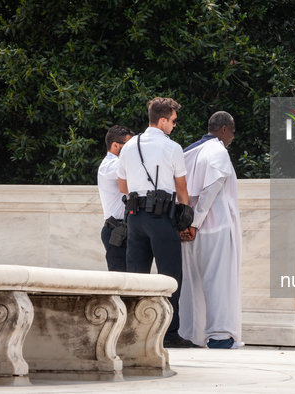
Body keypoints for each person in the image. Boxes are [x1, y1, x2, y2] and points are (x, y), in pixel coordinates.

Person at [117, 97, 193, 348]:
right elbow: (181, 189)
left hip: (135, 218)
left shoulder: (129, 146)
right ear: (162, 121)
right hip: (161, 217)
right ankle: (169, 335)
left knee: (135, 277)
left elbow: (122, 185)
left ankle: (132, 334)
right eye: (172, 121)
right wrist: (186, 219)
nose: (173, 125)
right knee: (170, 276)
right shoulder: (171, 147)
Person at [178, 111, 244, 349]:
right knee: (219, 281)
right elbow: (210, 190)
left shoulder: (188, 151)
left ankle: (192, 333)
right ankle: (219, 336)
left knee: (193, 282)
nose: (232, 137)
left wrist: (185, 224)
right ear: (224, 129)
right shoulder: (218, 151)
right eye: (232, 131)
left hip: (190, 231)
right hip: (213, 227)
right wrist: (194, 223)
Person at [97, 125, 134, 272]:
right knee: (120, 280)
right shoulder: (112, 165)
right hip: (117, 229)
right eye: (128, 145)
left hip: (123, 228)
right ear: (115, 145)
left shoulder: (115, 163)